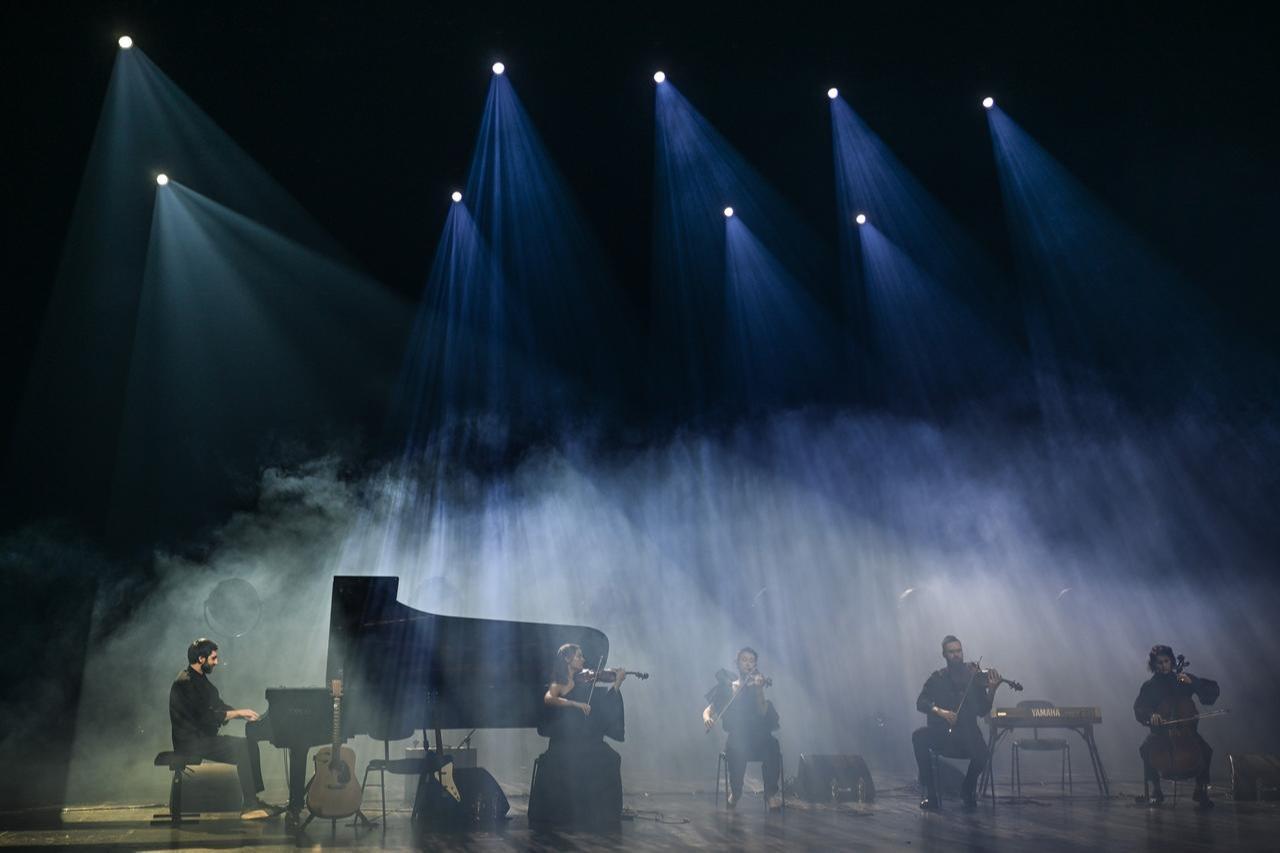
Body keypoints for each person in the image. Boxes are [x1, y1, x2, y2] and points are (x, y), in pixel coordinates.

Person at [169, 638, 278, 819]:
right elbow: (206, 717)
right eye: (214, 658)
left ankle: (252, 800)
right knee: (242, 748)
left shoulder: (200, 679)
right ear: (201, 659)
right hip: (190, 742)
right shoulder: (185, 682)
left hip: (202, 738)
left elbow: (217, 705)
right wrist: (237, 714)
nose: (217, 662)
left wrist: (241, 713)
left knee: (249, 745)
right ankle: (250, 806)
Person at [527, 643, 627, 831]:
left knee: (611, 757)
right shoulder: (559, 682)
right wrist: (575, 704)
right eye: (579, 656)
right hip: (564, 744)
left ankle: (600, 811)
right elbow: (548, 698)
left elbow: (599, 712)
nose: (583, 660)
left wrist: (616, 683)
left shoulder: (583, 682)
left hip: (580, 742)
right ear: (567, 659)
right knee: (604, 757)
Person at [911, 635, 1000, 811]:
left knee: (983, 754)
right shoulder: (938, 678)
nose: (956, 655)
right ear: (944, 654)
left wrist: (992, 690)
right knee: (918, 737)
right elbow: (921, 702)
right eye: (951, 652)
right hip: (942, 734)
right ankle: (931, 795)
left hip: (967, 735)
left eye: (959, 651)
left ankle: (967, 787)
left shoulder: (974, 679)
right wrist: (941, 712)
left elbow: (982, 710)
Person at [1134, 644, 1220, 808]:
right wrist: (1151, 715)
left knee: (1207, 750)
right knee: (1144, 749)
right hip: (1160, 734)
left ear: (1172, 661)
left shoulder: (1182, 680)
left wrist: (1193, 682)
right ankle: (1156, 789)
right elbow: (1140, 707)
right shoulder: (1150, 686)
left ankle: (1200, 790)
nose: (1163, 665)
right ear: (1154, 665)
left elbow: (1211, 694)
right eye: (1159, 663)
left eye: (1166, 661)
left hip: (1187, 733)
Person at [702, 647, 782, 810]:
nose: (748, 663)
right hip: (738, 737)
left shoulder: (757, 686)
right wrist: (707, 718)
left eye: (752, 660)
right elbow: (709, 710)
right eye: (744, 660)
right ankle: (736, 791)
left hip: (759, 738)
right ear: (737, 663)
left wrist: (759, 690)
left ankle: (770, 794)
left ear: (755, 664)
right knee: (737, 746)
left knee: (773, 746)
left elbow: (762, 711)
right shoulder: (728, 686)